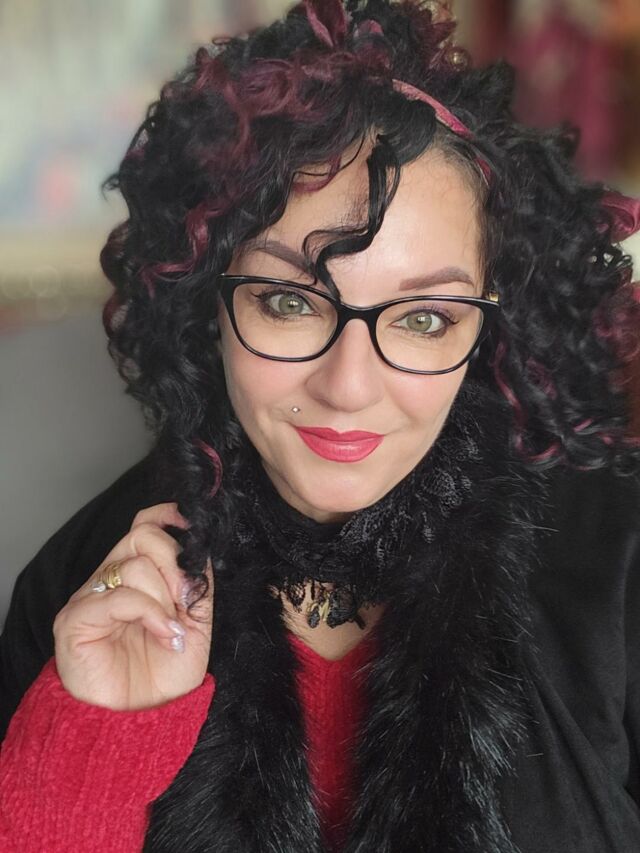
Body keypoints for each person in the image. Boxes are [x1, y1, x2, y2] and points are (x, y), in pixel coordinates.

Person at [1, 1, 640, 850]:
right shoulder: (79, 590)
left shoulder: (617, 560)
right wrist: (89, 746)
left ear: (490, 329)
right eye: (289, 302)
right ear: (206, 302)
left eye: (424, 318)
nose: (348, 386)